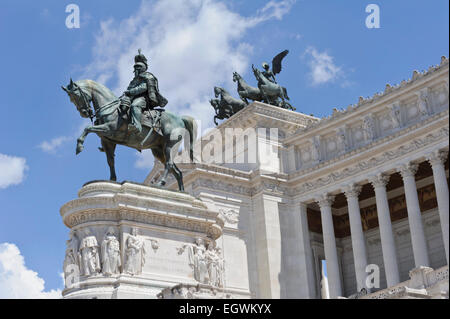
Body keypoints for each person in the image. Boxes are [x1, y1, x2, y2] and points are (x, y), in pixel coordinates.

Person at [122, 49, 168, 134]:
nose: (135, 70)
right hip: (131, 97)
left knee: (135, 105)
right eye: (135, 68)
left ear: (142, 68)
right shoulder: (133, 80)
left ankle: (137, 126)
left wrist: (131, 92)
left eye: (137, 68)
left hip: (144, 99)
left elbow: (143, 87)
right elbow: (128, 90)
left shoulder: (148, 76)